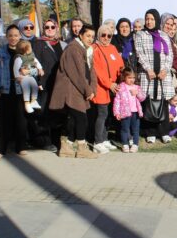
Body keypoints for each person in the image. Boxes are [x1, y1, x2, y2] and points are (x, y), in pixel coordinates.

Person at [49, 24, 98, 159]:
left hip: (79, 89)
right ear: (81, 35)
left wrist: (93, 89)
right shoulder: (73, 49)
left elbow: (91, 72)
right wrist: (87, 90)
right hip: (70, 89)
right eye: (88, 36)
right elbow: (77, 74)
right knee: (81, 118)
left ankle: (66, 147)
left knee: (74, 119)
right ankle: (81, 149)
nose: (90, 39)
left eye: (93, 37)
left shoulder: (87, 50)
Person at [0, 25, 29, 161]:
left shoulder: (25, 50)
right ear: (6, 37)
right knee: (3, 121)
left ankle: (21, 146)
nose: (13, 38)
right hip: (5, 90)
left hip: (21, 90)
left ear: (20, 36)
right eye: (10, 35)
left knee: (21, 120)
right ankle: (0, 150)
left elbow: (33, 68)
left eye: (16, 35)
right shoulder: (0, 52)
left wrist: (29, 72)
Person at [135, 9, 174, 144]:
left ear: (156, 20)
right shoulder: (140, 35)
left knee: (163, 102)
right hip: (148, 75)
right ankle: (150, 132)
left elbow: (170, 55)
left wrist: (165, 70)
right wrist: (148, 69)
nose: (149, 21)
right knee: (149, 103)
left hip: (162, 75)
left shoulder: (164, 35)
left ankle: (164, 132)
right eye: (147, 19)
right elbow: (139, 53)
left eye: (152, 19)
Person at [31, 19, 67, 151]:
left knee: (58, 112)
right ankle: (44, 141)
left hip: (60, 84)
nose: (50, 29)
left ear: (57, 28)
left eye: (53, 27)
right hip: (45, 84)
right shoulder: (38, 43)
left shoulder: (63, 44)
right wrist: (38, 82)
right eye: (47, 27)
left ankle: (57, 140)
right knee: (44, 113)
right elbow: (34, 64)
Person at [91, 24, 124, 154]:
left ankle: (104, 139)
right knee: (102, 114)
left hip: (114, 87)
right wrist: (109, 84)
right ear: (98, 35)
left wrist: (122, 79)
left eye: (109, 35)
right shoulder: (95, 49)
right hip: (101, 87)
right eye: (103, 35)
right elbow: (97, 70)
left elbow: (120, 65)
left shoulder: (112, 48)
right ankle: (97, 142)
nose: (106, 38)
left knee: (108, 115)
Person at [113, 67, 145, 153]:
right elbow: (117, 101)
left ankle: (135, 144)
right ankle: (125, 144)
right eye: (129, 77)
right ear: (124, 77)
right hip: (125, 113)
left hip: (135, 112)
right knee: (124, 129)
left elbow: (142, 98)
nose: (132, 80)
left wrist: (137, 93)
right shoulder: (121, 87)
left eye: (133, 78)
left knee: (135, 129)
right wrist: (117, 112)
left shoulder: (137, 87)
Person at [13, 40, 44, 113]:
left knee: (35, 86)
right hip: (23, 77)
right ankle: (27, 103)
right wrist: (17, 77)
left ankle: (33, 101)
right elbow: (15, 68)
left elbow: (37, 62)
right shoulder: (19, 58)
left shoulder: (32, 56)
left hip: (30, 76)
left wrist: (40, 69)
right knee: (26, 89)